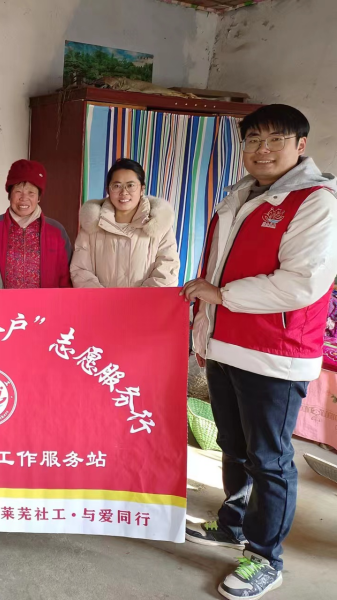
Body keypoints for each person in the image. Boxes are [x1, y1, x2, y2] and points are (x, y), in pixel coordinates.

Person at [183, 104, 337, 600]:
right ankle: (233, 524)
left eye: (275, 140)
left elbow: (301, 283)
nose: (262, 150)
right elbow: (215, 269)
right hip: (226, 346)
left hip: (275, 352)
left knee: (269, 459)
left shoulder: (316, 202)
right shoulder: (240, 195)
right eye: (252, 140)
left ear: (300, 145)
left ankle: (265, 557)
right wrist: (204, 334)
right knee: (233, 446)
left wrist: (220, 297)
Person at [70, 158, 180, 288]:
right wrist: (103, 298)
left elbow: (167, 272)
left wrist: (138, 299)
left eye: (131, 185)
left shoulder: (158, 224)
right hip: (99, 301)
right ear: (108, 190)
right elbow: (81, 270)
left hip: (147, 301)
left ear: (142, 189)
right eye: (117, 186)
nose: (124, 192)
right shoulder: (92, 224)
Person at [0, 159, 72, 288]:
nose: (24, 198)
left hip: (47, 301)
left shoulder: (56, 231)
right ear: (9, 194)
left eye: (31, 193)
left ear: (39, 197)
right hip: (0, 300)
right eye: (18, 191)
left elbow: (66, 277)